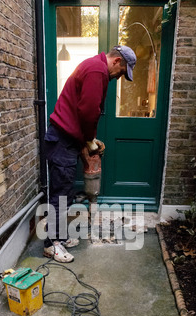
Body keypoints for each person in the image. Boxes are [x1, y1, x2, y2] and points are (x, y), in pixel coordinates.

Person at [43, 45, 137, 263]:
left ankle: (59, 237)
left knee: (64, 192)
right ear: (116, 61)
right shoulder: (97, 70)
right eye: (121, 72)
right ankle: (51, 244)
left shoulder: (95, 67)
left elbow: (85, 108)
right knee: (61, 195)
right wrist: (89, 139)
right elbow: (88, 110)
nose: (118, 77)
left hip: (64, 139)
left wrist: (86, 140)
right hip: (62, 140)